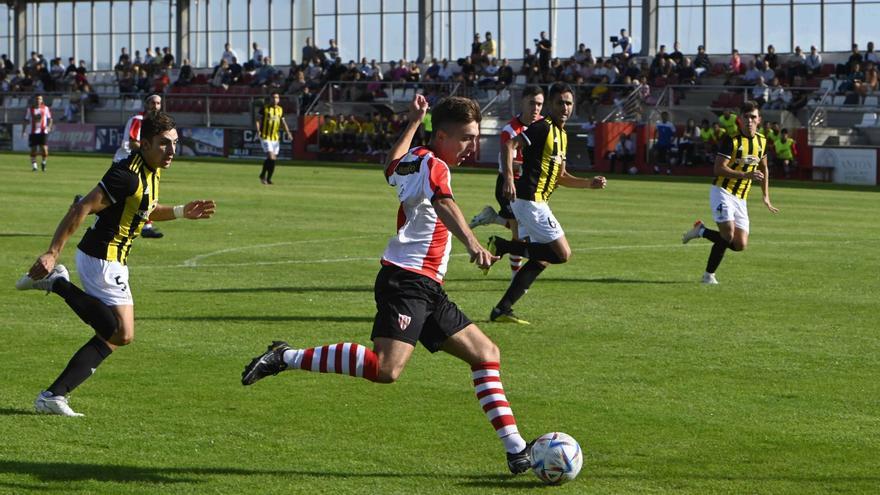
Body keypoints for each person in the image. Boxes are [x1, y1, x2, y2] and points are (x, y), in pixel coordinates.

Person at [240, 94, 536, 475]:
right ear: (442, 136)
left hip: (426, 286)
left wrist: (412, 121)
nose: (472, 146)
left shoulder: (414, 160)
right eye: (465, 138)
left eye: (475, 137)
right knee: (385, 369)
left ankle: (516, 450)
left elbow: (389, 166)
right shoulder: (434, 165)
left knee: (486, 354)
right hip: (407, 281)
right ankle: (285, 356)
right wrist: (474, 244)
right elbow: (445, 203)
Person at [15, 112, 216, 416]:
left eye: (175, 143)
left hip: (115, 260)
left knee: (113, 337)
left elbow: (144, 209)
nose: (172, 150)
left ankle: (54, 396)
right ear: (145, 143)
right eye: (164, 144)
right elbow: (82, 207)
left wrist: (179, 211)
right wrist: (53, 252)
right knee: (121, 333)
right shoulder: (126, 175)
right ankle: (57, 282)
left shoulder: (152, 169)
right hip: (100, 258)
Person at [486, 83, 607, 324]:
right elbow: (509, 144)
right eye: (560, 102)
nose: (565, 107)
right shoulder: (542, 128)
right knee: (562, 254)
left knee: (542, 259)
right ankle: (502, 246)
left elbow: (561, 177)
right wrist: (509, 178)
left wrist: (588, 184)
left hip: (538, 201)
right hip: (530, 201)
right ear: (551, 104)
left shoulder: (562, 135)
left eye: (569, 103)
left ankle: (502, 310)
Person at [681, 100, 780, 284]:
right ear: (740, 120)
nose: (749, 120)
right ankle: (708, 276)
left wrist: (766, 196)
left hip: (741, 197)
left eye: (753, 117)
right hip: (722, 191)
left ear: (759, 119)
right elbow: (718, 169)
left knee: (740, 244)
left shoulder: (763, 141)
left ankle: (701, 231)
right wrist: (745, 174)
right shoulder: (731, 140)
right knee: (727, 235)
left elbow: (764, 168)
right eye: (746, 117)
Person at [469, 86, 545, 280]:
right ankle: (515, 277)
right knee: (519, 234)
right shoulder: (510, 130)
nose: (536, 108)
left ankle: (492, 218)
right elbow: (509, 163)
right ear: (523, 103)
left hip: (529, 187)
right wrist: (533, 165)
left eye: (539, 104)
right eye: (532, 103)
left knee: (521, 230)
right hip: (508, 185)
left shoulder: (543, 126)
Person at [113, 93, 166, 238]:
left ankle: (147, 226)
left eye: (158, 103)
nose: (155, 106)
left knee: (146, 193)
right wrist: (151, 153)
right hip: (126, 161)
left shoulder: (155, 123)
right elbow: (132, 142)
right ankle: (81, 201)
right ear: (146, 104)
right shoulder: (139, 120)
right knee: (114, 199)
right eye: (152, 103)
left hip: (139, 162)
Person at [256, 91, 293, 185]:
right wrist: (258, 131)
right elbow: (257, 120)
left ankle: (267, 178)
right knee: (271, 156)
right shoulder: (264, 108)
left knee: (273, 159)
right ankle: (263, 175)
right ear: (270, 98)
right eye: (273, 97)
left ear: (279, 99)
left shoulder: (280, 109)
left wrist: (288, 133)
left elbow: (283, 123)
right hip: (265, 136)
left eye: (277, 97)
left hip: (275, 137)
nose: (275, 99)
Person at [22, 94, 53, 172]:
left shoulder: (45, 108)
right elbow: (26, 120)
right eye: (37, 99)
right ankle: (34, 166)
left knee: (44, 150)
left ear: (42, 100)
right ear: (34, 100)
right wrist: (24, 130)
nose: (38, 100)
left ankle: (43, 162)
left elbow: (50, 119)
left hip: (43, 131)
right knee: (33, 150)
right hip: (33, 132)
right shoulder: (30, 109)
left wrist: (49, 127)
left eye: (40, 99)